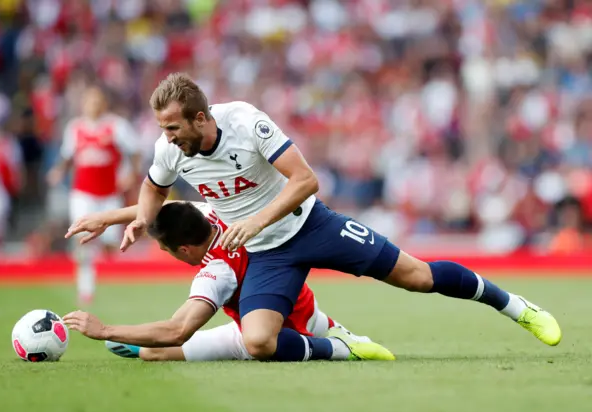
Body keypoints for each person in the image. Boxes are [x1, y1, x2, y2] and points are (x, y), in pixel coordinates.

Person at [68, 73, 561, 363]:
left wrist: (257, 221)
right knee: (259, 342)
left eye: (174, 127)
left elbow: (305, 179)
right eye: (162, 129)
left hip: (309, 224)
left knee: (417, 276)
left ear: (201, 118)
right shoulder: (169, 149)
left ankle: (516, 307)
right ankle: (341, 347)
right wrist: (127, 218)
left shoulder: (244, 121)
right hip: (262, 253)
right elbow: (154, 190)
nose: (168, 137)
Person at [63, 201, 395, 362]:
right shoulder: (215, 213)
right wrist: (107, 218)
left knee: (154, 351)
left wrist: (104, 330)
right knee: (147, 347)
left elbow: (177, 330)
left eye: (167, 249)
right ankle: (329, 328)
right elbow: (164, 206)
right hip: (300, 304)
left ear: (185, 249)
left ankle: (335, 347)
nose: (166, 253)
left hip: (273, 332)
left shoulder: (215, 272)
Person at [47, 85, 142, 306]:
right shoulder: (75, 128)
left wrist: (131, 175)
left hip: (109, 195)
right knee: (83, 240)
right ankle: (85, 288)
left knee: (111, 245)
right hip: (83, 194)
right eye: (89, 101)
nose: (93, 105)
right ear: (83, 104)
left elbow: (136, 151)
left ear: (104, 103)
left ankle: (114, 282)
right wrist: (58, 171)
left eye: (97, 100)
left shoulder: (116, 126)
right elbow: (67, 156)